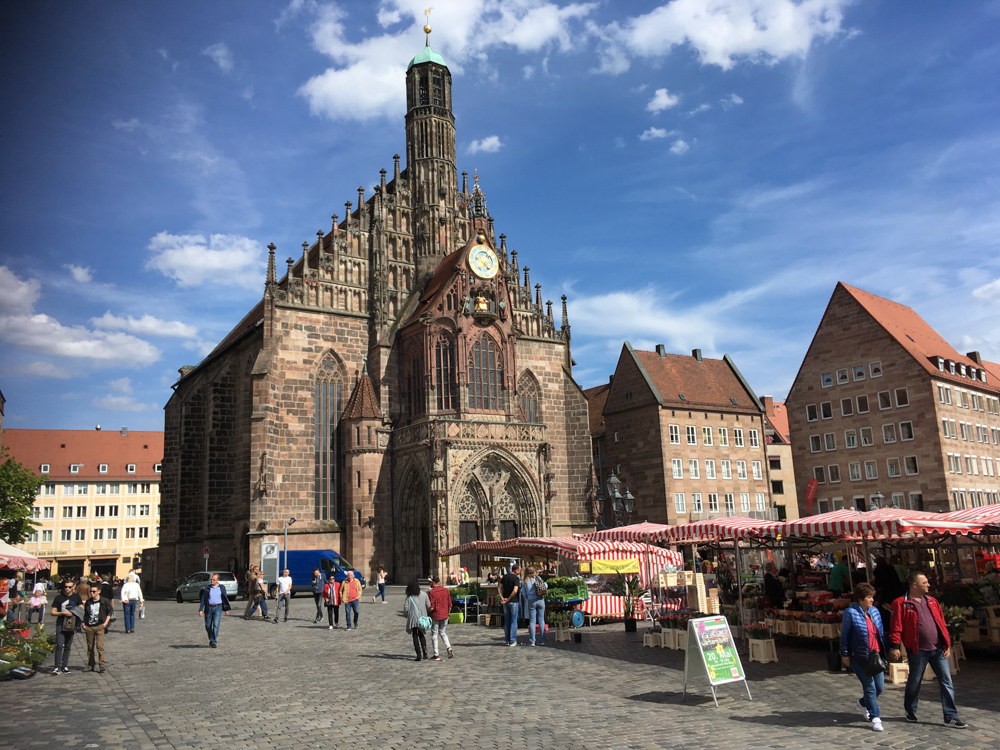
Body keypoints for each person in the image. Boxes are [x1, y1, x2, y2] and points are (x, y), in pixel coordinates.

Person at [888, 571, 967, 728]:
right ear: (915, 585)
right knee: (915, 681)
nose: (928, 585)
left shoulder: (932, 601)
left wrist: (947, 643)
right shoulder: (900, 603)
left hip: (937, 649)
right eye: (925, 583)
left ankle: (950, 716)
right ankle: (910, 710)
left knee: (946, 681)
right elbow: (896, 626)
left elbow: (941, 623)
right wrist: (895, 646)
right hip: (918, 650)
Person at [840, 583, 886, 732]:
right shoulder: (850, 612)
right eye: (869, 597)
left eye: (872, 597)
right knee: (870, 687)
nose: (872, 600)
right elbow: (845, 635)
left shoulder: (875, 612)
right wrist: (845, 654)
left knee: (879, 687)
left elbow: (881, 633)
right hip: (859, 656)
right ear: (860, 599)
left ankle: (863, 702)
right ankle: (875, 717)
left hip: (875, 655)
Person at [50, 580, 81, 674]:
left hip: (71, 624)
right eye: (66, 587)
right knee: (59, 645)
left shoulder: (76, 597)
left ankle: (64, 666)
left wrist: (75, 613)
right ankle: (57, 666)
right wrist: (62, 613)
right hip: (61, 623)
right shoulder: (59, 598)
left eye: (69, 587)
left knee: (68, 645)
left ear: (74, 587)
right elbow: (52, 612)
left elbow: (81, 608)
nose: (67, 589)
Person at [83, 583, 113, 672]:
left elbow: (109, 613)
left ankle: (102, 664)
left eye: (94, 591)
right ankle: (91, 664)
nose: (92, 593)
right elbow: (85, 614)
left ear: (99, 592)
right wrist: (84, 624)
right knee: (90, 647)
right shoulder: (88, 602)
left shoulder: (104, 601)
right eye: (91, 591)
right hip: (89, 626)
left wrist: (105, 624)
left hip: (100, 626)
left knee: (100, 646)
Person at [198, 573, 231, 648]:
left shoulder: (221, 587)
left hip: (218, 608)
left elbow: (225, 598)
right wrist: (200, 609)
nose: (212, 581)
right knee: (208, 625)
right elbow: (203, 599)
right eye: (211, 579)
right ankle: (212, 639)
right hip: (209, 608)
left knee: (216, 625)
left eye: (214, 580)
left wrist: (226, 609)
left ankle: (213, 641)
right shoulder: (207, 588)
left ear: (217, 580)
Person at [427, 575, 454, 660]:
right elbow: (450, 605)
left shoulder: (431, 593)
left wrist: (426, 611)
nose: (429, 584)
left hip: (435, 615)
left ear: (433, 582)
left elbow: (431, 607)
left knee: (434, 634)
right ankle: (448, 647)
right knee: (443, 632)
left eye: (430, 582)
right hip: (445, 615)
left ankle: (436, 654)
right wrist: (448, 614)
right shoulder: (446, 591)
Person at [403, 579, 430, 661]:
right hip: (423, 618)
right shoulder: (424, 594)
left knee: (415, 635)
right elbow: (428, 605)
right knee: (421, 635)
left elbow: (406, 609)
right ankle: (425, 651)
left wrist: (409, 615)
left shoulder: (409, 597)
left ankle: (418, 655)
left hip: (413, 619)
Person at [520, 566, 546, 646]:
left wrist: (527, 598)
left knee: (532, 621)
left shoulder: (525, 581)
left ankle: (532, 641)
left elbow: (523, 592)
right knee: (541, 620)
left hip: (531, 601)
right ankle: (542, 640)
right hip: (540, 599)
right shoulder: (538, 578)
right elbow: (545, 585)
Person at [499, 563, 521, 647]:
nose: (520, 571)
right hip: (513, 601)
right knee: (513, 621)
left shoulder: (505, 577)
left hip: (505, 601)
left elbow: (499, 587)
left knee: (507, 621)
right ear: (516, 570)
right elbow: (515, 591)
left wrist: (502, 597)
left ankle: (507, 640)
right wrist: (508, 599)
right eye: (519, 570)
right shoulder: (516, 578)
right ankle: (512, 640)